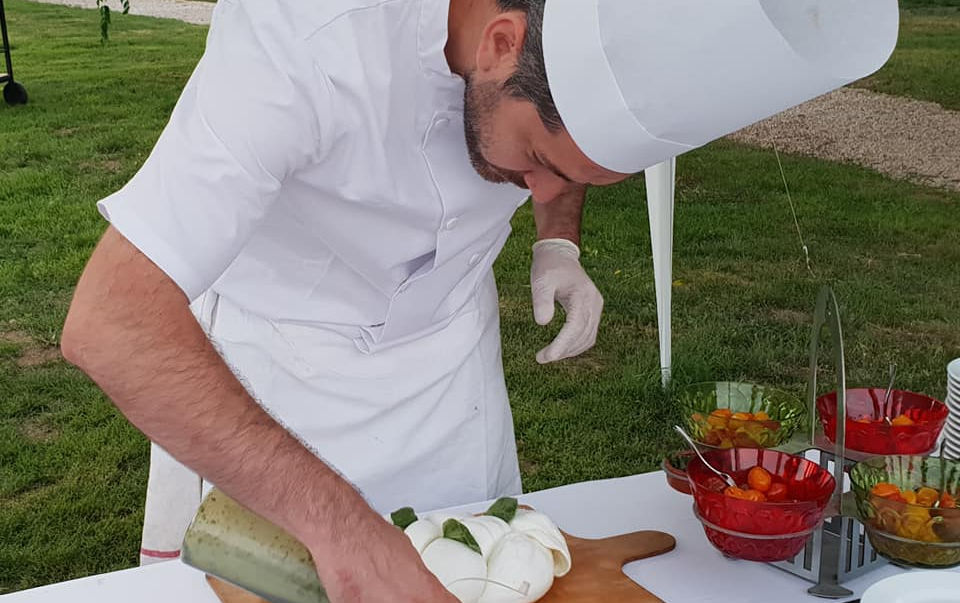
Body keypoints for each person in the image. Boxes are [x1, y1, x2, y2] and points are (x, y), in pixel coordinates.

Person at [62, 0, 897, 600]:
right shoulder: (301, 36)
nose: (541, 185)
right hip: (278, 379)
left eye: (570, 176)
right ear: (500, 39)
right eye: (536, 158)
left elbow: (571, 138)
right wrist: (343, 531)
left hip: (449, 375)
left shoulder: (535, 65)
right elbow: (112, 322)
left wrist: (556, 236)